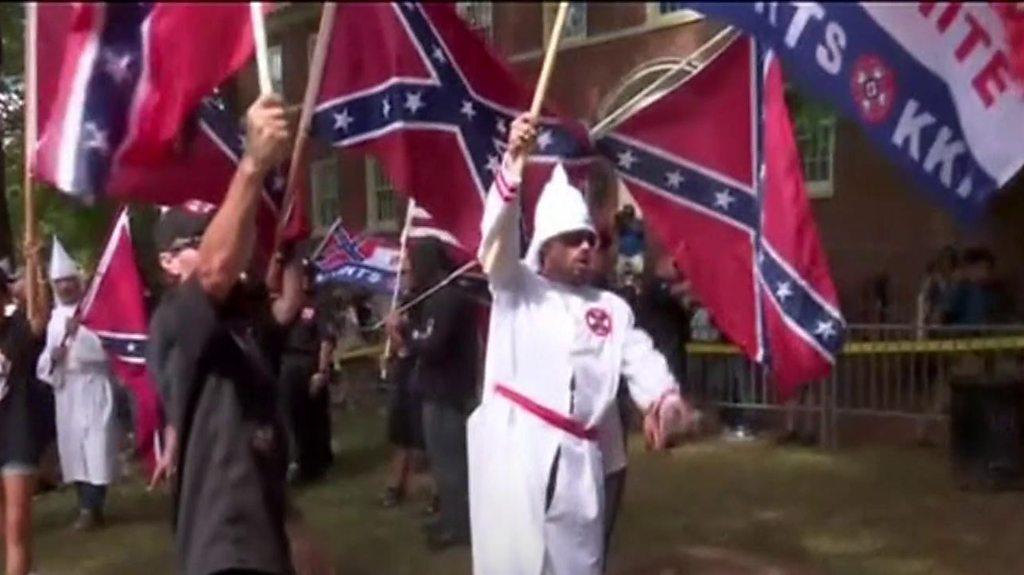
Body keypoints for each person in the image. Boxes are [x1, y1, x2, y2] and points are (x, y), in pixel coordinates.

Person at [468, 113, 697, 574]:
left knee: (578, 566)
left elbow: (641, 359)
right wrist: (514, 164)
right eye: (571, 240)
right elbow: (496, 242)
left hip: (580, 464)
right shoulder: (516, 288)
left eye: (589, 239)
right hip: (519, 456)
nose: (585, 248)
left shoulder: (612, 309)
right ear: (546, 247)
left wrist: (664, 400)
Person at [146, 94, 333, 575]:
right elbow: (213, 269)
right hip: (223, 544)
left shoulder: (241, 320)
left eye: (217, 229)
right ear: (168, 262)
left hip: (265, 529)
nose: (217, 242)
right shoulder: (177, 317)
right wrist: (252, 164)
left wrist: (289, 243)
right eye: (197, 240)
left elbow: (288, 308)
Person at [388, 237, 479, 551]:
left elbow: (432, 344)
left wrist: (404, 333)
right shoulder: (434, 297)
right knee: (442, 462)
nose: (410, 271)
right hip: (436, 390)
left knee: (452, 463)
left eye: (414, 265)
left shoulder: (447, 298)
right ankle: (450, 518)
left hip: (449, 392)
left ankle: (460, 527)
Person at [36, 238, 120, 531]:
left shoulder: (97, 310)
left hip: (94, 387)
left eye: (70, 281)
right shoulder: (55, 319)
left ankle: (93, 505)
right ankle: (85, 504)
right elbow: (45, 362)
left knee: (97, 447)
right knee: (75, 451)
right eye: (60, 283)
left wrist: (81, 334)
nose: (66, 287)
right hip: (68, 391)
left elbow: (107, 350)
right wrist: (54, 357)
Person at [0, 265, 52, 575]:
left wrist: (33, 263)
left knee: (18, 522)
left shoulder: (17, 329)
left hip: (18, 434)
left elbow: (38, 313)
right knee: (6, 525)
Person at [380, 255, 433, 512]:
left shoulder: (427, 300)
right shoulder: (404, 300)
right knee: (399, 432)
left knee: (422, 435)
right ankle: (395, 485)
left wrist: (399, 335)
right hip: (402, 371)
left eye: (407, 271)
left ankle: (438, 491)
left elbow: (419, 341)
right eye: (400, 272)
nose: (403, 276)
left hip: (419, 371)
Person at [279, 254, 336, 484]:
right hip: (289, 362)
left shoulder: (318, 303)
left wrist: (321, 371)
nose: (303, 280)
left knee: (315, 415)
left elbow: (326, 339)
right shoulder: (287, 303)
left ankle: (319, 462)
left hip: (309, 362)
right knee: (292, 415)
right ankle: (298, 461)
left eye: (306, 276)